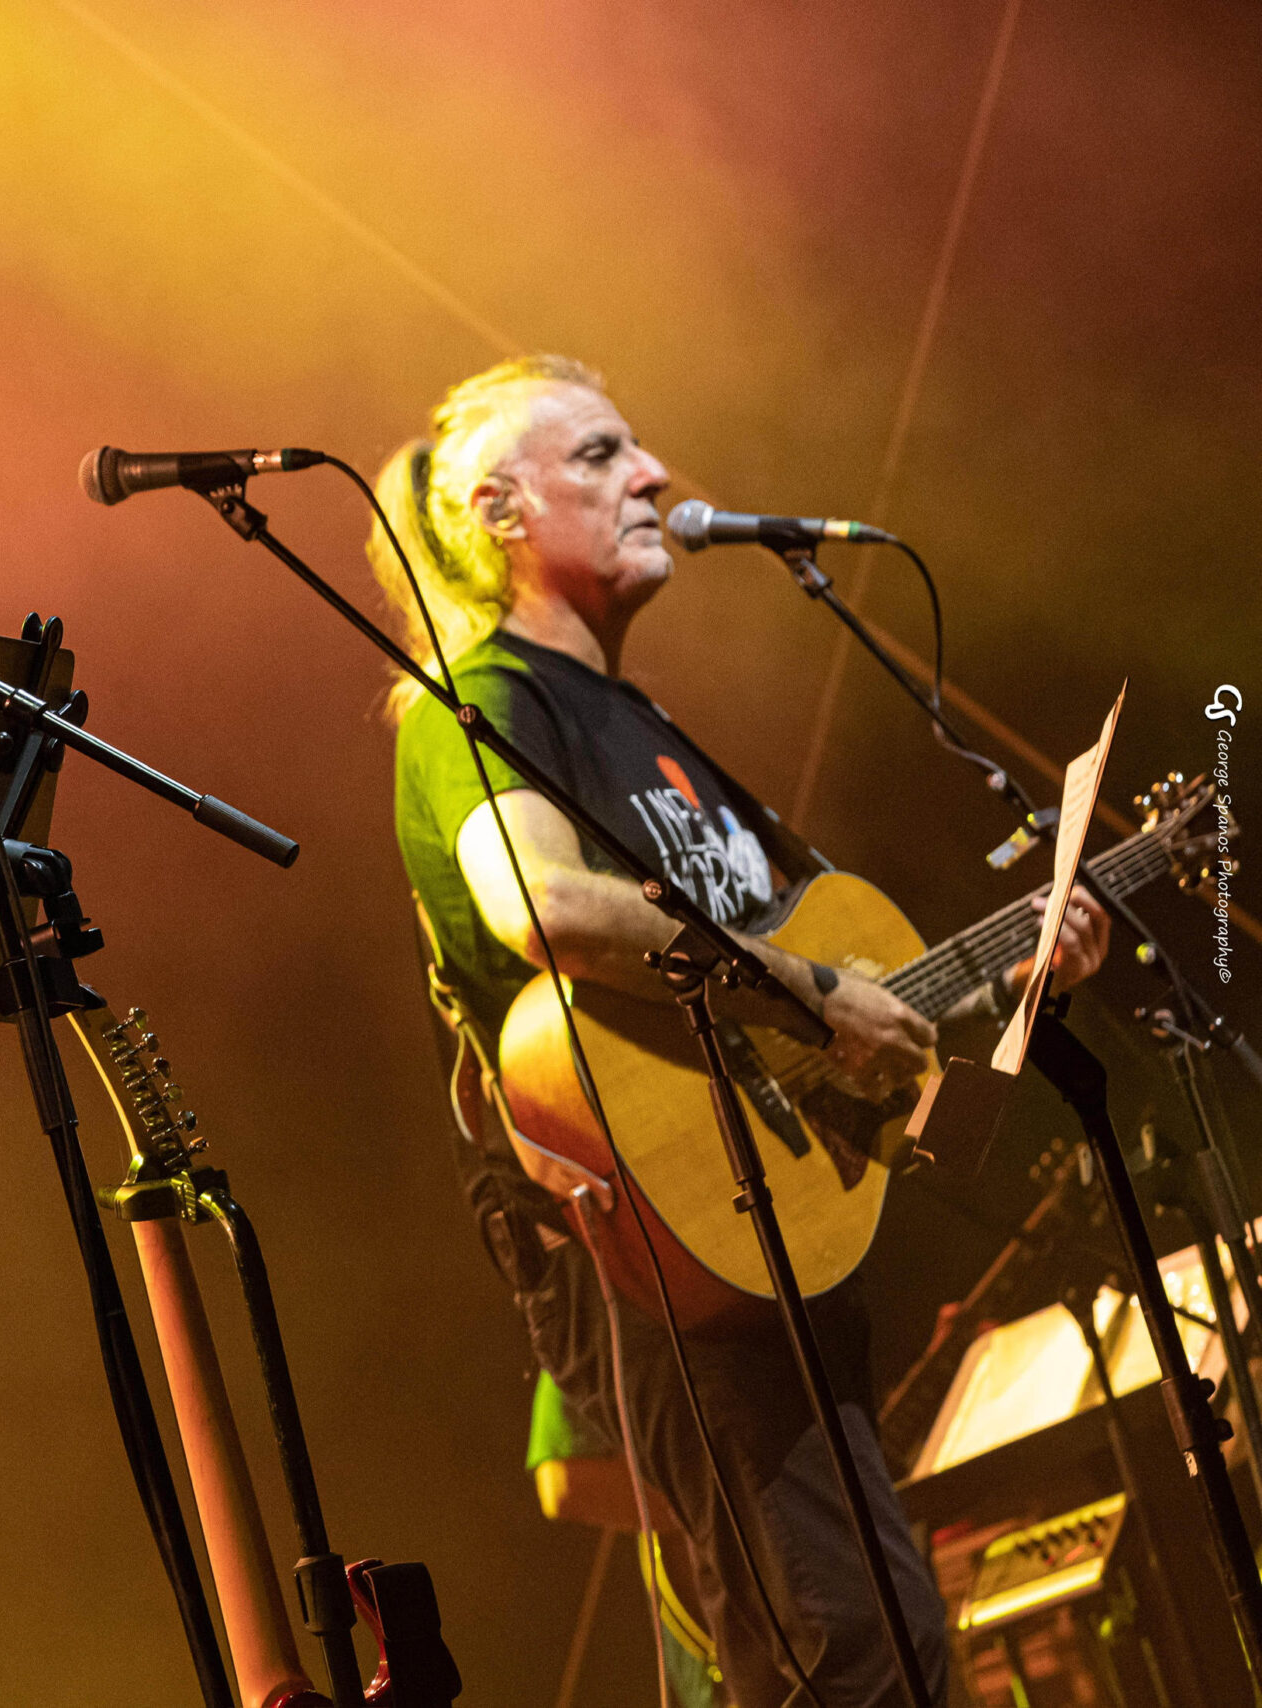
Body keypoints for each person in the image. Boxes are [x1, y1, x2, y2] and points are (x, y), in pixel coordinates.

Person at [371, 354, 1109, 1707]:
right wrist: (810, 993)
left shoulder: (649, 732)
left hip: (783, 1257)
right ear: (499, 514)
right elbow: (540, 904)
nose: (653, 475)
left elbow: (857, 1026)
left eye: (637, 448)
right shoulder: (485, 706)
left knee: (889, 1648)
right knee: (844, 1657)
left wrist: (1019, 985)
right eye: (598, 456)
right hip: (664, 1260)